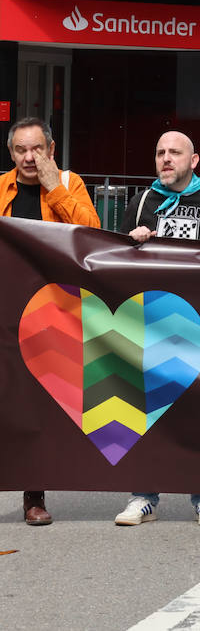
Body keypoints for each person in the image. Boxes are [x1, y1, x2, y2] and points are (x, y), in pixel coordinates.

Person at [117, 131, 200, 528]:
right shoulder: (141, 203)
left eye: (174, 152)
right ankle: (143, 496)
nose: (165, 159)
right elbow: (115, 260)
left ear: (194, 160)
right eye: (159, 153)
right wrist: (130, 242)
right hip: (150, 321)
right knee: (146, 408)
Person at [2, 117, 101, 526]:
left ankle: (33, 497)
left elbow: (91, 232)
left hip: (51, 310)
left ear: (51, 150)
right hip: (5, 304)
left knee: (35, 403)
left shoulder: (69, 183)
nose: (29, 157)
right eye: (21, 150)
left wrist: (53, 187)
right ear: (11, 154)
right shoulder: (1, 187)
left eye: (36, 149)